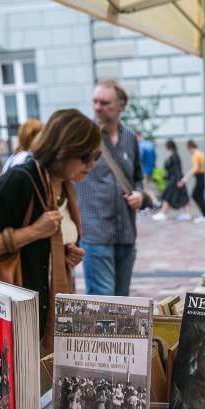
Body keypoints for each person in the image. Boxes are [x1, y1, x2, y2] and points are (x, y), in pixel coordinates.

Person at [0, 108, 99, 355]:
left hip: (37, 316)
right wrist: (35, 231)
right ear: (63, 151)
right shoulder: (21, 180)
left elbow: (51, 241)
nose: (92, 163)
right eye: (87, 156)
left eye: (96, 155)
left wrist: (68, 252)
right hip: (7, 323)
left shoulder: (63, 185)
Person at [74, 79, 149, 297]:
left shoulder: (129, 138)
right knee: (103, 302)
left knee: (122, 301)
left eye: (104, 102)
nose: (97, 107)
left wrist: (140, 195)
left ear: (120, 105)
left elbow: (137, 178)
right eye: (95, 102)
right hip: (95, 231)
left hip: (125, 231)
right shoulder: (84, 136)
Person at [152, 139, 189, 220]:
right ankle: (185, 213)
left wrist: (179, 180)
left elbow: (177, 169)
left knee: (167, 194)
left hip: (175, 179)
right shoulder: (171, 155)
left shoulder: (174, 156)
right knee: (180, 195)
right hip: (173, 178)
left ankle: (163, 213)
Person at [179, 139, 205, 222]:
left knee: (196, 195)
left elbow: (195, 168)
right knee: (199, 196)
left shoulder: (195, 155)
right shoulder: (201, 154)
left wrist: (184, 179)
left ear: (190, 147)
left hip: (201, 177)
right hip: (202, 177)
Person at [135, 131, 158, 196]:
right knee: (147, 188)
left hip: (143, 171)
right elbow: (155, 156)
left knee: (145, 189)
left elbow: (139, 159)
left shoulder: (140, 145)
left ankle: (155, 201)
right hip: (151, 171)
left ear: (138, 136)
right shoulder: (150, 144)